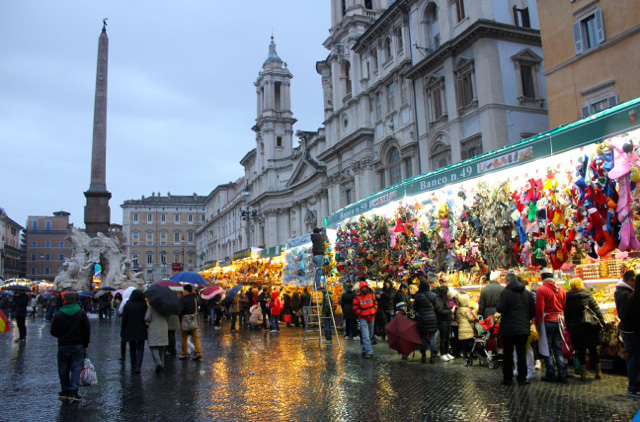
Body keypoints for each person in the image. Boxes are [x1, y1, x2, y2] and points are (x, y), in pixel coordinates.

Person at [50, 292, 90, 402]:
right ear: (75, 300)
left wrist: (62, 335)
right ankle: (73, 390)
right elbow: (86, 330)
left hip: (63, 345)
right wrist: (85, 344)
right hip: (77, 345)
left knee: (63, 368)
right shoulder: (81, 313)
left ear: (65, 300)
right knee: (76, 367)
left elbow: (53, 332)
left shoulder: (58, 314)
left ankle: (64, 390)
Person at [496, 273, 535, 386]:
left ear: (508, 281)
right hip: (523, 328)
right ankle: (522, 378)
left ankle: (507, 378)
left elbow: (500, 308)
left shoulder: (505, 293)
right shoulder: (526, 293)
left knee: (508, 353)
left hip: (508, 328)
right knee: (521, 353)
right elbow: (533, 311)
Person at [564, 277, 605, 381]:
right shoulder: (587, 295)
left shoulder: (567, 297)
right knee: (593, 350)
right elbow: (596, 310)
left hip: (576, 328)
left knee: (580, 351)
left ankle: (583, 375)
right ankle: (598, 373)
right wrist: (602, 322)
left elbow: (566, 315)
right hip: (589, 326)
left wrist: (569, 328)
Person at [535, 268, 567, 383]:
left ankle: (550, 373)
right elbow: (563, 305)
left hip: (547, 320)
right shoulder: (561, 289)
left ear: (542, 278)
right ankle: (563, 373)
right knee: (558, 347)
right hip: (559, 320)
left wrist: (537, 323)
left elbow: (539, 309)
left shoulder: (542, 290)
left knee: (547, 348)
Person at [614, 271, 640, 397]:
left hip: (630, 329)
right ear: (630, 280)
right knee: (633, 358)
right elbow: (624, 314)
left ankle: (635, 386)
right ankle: (633, 387)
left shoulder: (625, 292)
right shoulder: (624, 293)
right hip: (630, 330)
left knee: (634, 358)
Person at [413, 281, 441, 364]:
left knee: (423, 338)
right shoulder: (433, 295)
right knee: (432, 338)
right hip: (432, 319)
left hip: (421, 319)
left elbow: (415, 308)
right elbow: (438, 307)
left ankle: (423, 357)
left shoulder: (418, 296)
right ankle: (433, 357)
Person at [121, 289, 147, 373]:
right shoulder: (143, 305)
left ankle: (133, 364)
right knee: (140, 348)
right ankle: (138, 365)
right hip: (141, 329)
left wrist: (123, 330)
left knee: (132, 348)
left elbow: (124, 319)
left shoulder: (128, 305)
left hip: (130, 329)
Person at [353, 279, 377, 359]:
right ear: (360, 288)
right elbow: (355, 308)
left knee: (370, 335)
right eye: (363, 287)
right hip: (363, 318)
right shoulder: (357, 297)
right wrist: (362, 313)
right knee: (366, 335)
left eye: (365, 287)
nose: (364, 289)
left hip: (371, 317)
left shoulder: (371, 295)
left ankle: (364, 349)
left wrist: (373, 310)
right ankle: (369, 351)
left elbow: (375, 304)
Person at [180, 284, 202, 361]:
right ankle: (198, 354)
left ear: (186, 291)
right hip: (193, 320)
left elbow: (181, 310)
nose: (183, 292)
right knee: (196, 338)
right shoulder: (194, 298)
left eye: (184, 290)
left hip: (185, 321)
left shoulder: (183, 299)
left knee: (184, 338)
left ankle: (184, 354)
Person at [433, 280, 454, 361]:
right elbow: (440, 311)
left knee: (447, 338)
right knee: (443, 338)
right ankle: (443, 354)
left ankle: (447, 352)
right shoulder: (439, 300)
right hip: (442, 322)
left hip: (447, 321)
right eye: (448, 290)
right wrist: (450, 311)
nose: (449, 292)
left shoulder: (446, 300)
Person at [145, 305, 169, 373]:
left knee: (153, 346)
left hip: (154, 328)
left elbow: (147, 318)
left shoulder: (152, 307)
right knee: (161, 347)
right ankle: (162, 365)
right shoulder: (165, 307)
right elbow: (168, 317)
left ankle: (158, 363)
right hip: (163, 327)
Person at [456, 292, 477, 362]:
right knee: (470, 342)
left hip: (461, 329)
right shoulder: (467, 310)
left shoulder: (458, 310)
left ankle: (465, 355)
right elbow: (471, 318)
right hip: (468, 329)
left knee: (463, 343)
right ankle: (472, 354)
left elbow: (457, 319)